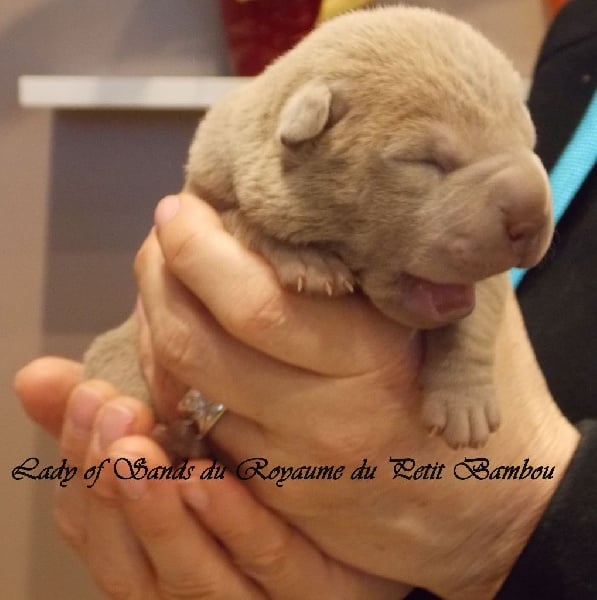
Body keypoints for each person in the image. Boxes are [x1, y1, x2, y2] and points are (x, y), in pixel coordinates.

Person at [15, 0, 597, 597]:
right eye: (430, 160)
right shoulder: (578, 45)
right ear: (309, 128)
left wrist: (513, 521)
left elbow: (490, 284)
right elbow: (217, 204)